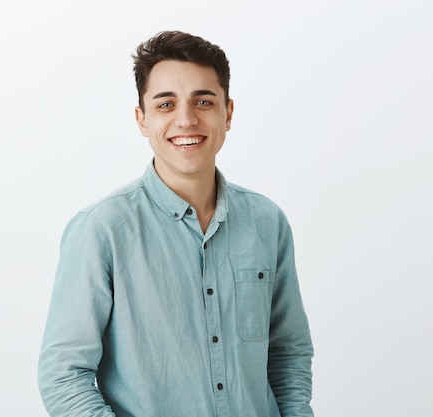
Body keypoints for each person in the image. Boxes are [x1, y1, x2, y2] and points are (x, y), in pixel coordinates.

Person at [37, 30, 314, 417]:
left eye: (203, 101)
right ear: (142, 119)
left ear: (228, 113)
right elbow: (64, 376)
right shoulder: (102, 230)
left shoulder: (267, 222)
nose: (186, 119)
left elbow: (288, 354)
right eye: (166, 104)